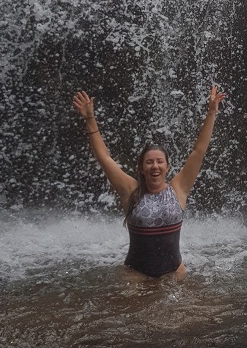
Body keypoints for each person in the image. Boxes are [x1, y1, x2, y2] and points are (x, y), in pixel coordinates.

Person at [72, 85, 225, 278]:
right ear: (141, 169)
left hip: (174, 273)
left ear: (167, 167)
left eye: (160, 161)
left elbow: (198, 151)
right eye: (149, 162)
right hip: (136, 275)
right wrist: (89, 119)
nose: (155, 166)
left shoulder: (179, 188)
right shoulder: (130, 190)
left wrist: (211, 113)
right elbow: (105, 159)